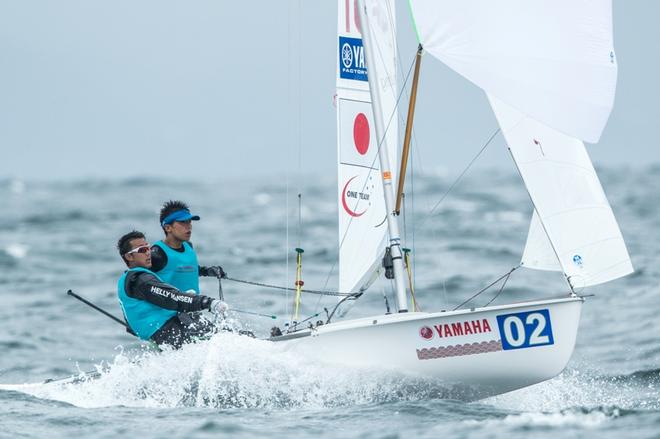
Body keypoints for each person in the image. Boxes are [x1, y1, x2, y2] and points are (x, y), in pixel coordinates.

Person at [116, 230, 228, 348]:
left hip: (171, 326)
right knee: (227, 341)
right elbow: (172, 298)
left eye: (148, 248)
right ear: (129, 256)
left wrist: (205, 272)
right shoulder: (141, 280)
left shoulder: (131, 278)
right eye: (142, 250)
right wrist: (208, 302)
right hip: (167, 331)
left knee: (228, 335)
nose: (148, 253)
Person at [150, 200, 225, 294]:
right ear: (168, 228)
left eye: (189, 222)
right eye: (183, 222)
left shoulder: (188, 246)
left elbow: (184, 269)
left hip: (194, 306)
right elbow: (140, 280)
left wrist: (207, 271)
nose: (188, 226)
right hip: (168, 308)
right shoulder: (157, 253)